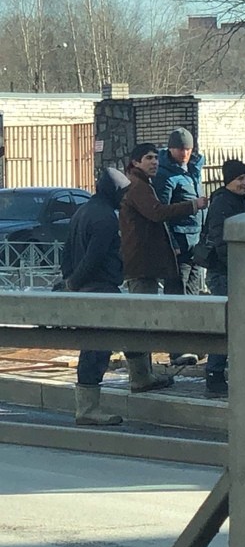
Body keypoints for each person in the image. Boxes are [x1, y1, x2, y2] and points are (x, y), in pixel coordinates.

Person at [61, 167, 172, 426]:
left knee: (121, 333)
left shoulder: (83, 211)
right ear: (113, 192)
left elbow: (67, 251)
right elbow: (95, 256)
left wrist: (70, 280)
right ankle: (88, 409)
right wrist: (77, 281)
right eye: (122, 193)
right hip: (100, 290)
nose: (124, 199)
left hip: (88, 290)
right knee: (96, 348)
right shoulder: (105, 219)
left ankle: (140, 377)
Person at [119, 142, 208, 373]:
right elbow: (157, 213)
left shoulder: (143, 184)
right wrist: (192, 205)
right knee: (142, 321)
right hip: (141, 263)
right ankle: (140, 375)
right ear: (136, 162)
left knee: (146, 318)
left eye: (156, 158)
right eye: (149, 158)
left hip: (145, 262)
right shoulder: (138, 186)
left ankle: (144, 374)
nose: (155, 162)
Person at [201, 158, 245, 397]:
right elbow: (222, 241)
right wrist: (237, 267)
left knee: (235, 325)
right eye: (240, 179)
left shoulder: (238, 202)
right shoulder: (223, 204)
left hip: (234, 272)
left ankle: (221, 373)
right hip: (224, 274)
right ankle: (215, 374)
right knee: (228, 326)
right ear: (229, 181)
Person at [155, 127, 206, 296]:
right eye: (180, 149)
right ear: (171, 149)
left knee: (193, 291)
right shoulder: (164, 175)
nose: (184, 153)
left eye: (188, 149)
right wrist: (173, 245)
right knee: (177, 291)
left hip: (196, 243)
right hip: (179, 244)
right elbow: (162, 213)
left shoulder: (193, 171)